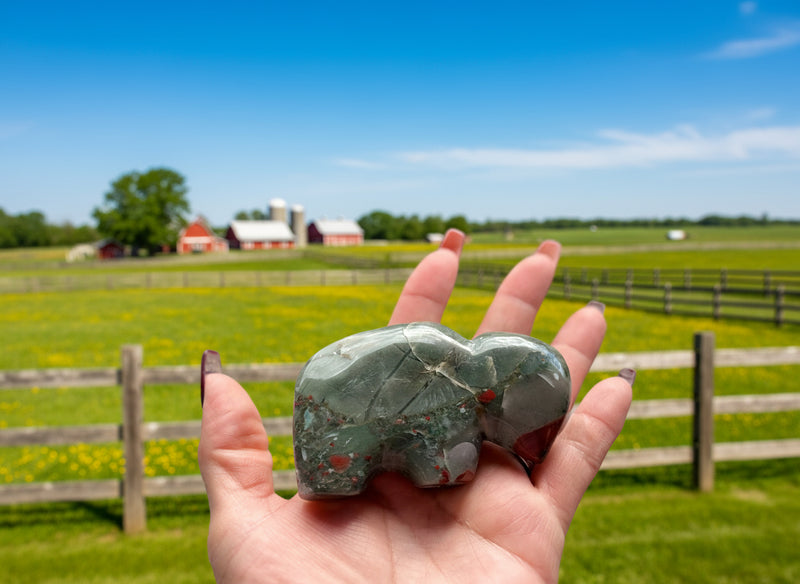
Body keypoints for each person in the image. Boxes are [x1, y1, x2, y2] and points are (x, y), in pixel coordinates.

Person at [198, 229, 634, 583]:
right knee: (367, 462)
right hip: (339, 420)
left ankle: (337, 470)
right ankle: (335, 472)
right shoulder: (452, 386)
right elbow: (440, 455)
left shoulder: (457, 374)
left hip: (341, 406)